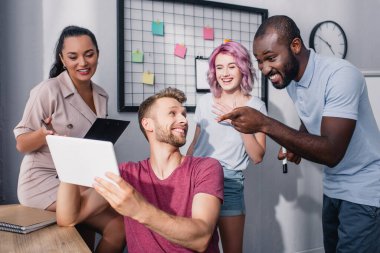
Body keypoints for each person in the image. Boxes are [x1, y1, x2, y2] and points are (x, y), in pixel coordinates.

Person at [219, 15, 380, 253]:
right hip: (333, 187)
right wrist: (296, 143)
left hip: (364, 190)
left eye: (271, 58)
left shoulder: (341, 76)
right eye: (259, 61)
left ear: (295, 46)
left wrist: (264, 123)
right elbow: (311, 115)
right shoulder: (292, 79)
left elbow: (332, 151)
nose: (264, 69)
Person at [56, 87, 224, 253]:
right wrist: (68, 159)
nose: (184, 120)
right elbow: (69, 217)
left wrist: (138, 209)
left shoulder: (206, 168)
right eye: (173, 113)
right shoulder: (128, 175)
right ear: (147, 124)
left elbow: (201, 238)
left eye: (184, 114)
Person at [14, 25, 125, 252]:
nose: (82, 63)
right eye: (73, 57)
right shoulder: (47, 90)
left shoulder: (102, 94)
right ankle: (72, 217)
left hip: (81, 181)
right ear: (62, 59)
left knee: (120, 227)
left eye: (89, 54)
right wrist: (43, 135)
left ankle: (73, 217)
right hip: (43, 180)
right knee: (111, 217)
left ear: (97, 54)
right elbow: (22, 143)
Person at [187, 41, 266, 253]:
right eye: (219, 67)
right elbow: (195, 143)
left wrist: (236, 120)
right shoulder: (205, 102)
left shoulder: (256, 106)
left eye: (232, 66)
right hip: (198, 178)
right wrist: (182, 171)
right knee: (199, 247)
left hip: (230, 182)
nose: (225, 73)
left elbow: (257, 156)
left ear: (243, 68)